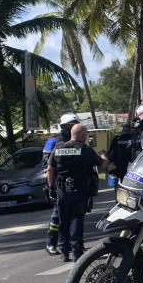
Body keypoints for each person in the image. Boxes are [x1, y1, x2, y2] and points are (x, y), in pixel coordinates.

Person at [47, 124, 102, 262]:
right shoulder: (85, 149)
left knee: (63, 221)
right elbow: (101, 163)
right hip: (79, 189)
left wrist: (51, 188)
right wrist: (104, 156)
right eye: (86, 135)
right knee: (77, 219)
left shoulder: (58, 149)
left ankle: (64, 252)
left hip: (62, 189)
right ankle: (77, 251)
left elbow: (50, 170)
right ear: (83, 136)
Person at [43, 112, 79, 256]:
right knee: (58, 215)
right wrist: (51, 187)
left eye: (73, 126)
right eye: (68, 126)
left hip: (75, 182)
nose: (70, 128)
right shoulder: (53, 142)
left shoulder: (77, 141)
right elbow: (47, 165)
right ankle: (51, 243)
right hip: (58, 182)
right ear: (62, 127)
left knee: (73, 216)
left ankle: (67, 244)